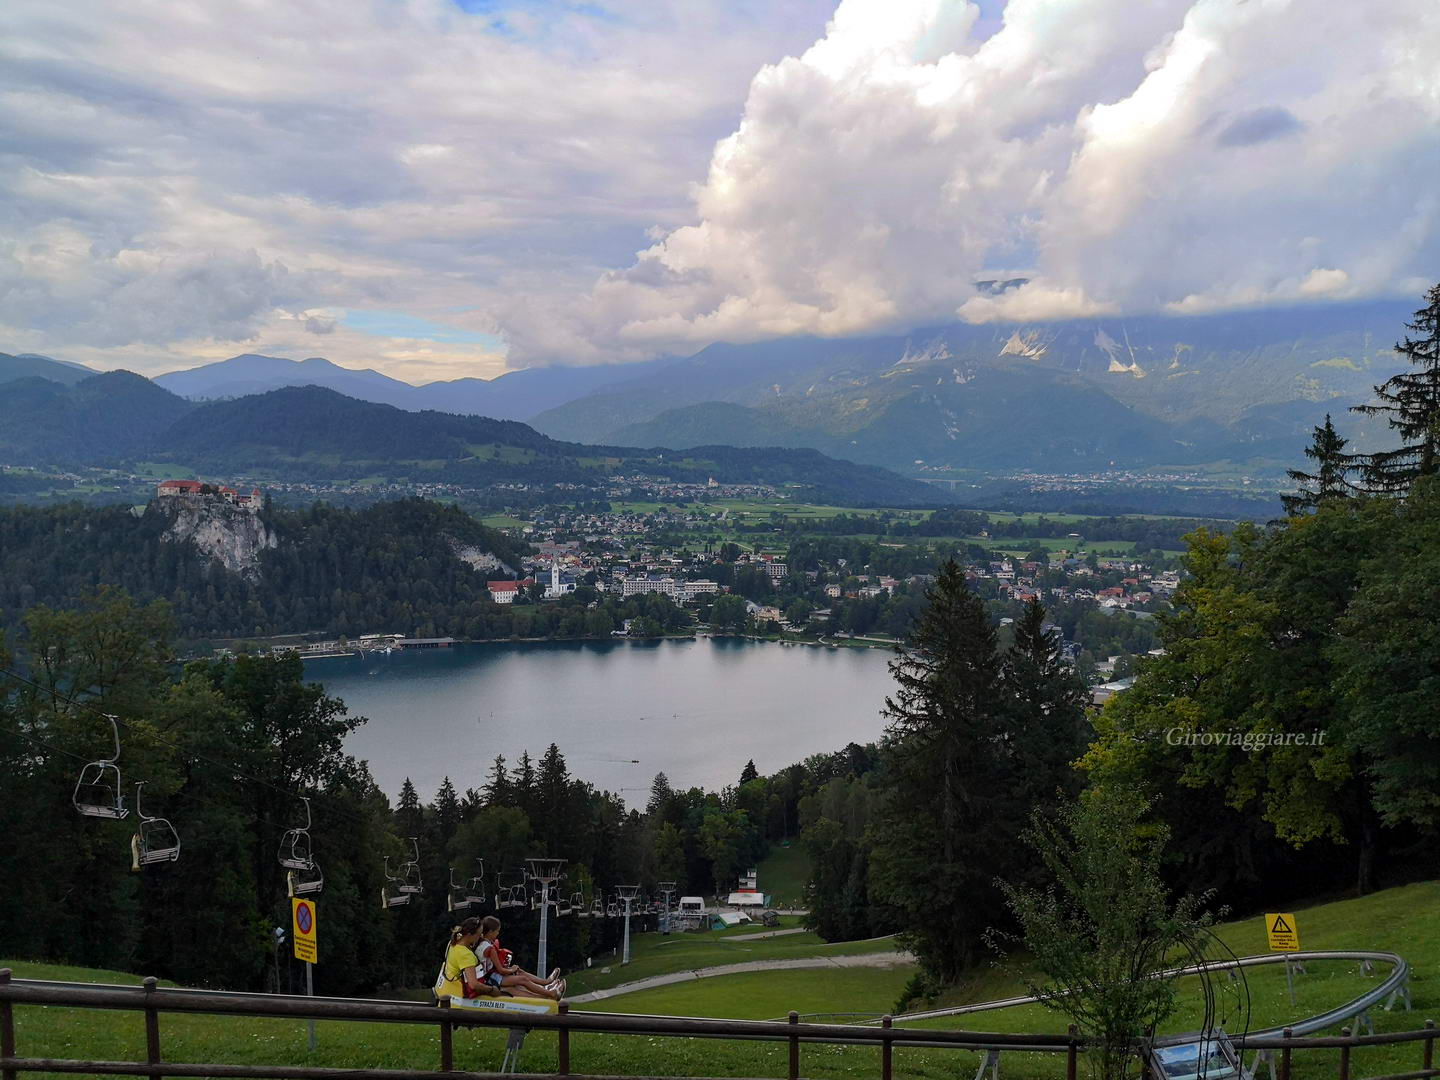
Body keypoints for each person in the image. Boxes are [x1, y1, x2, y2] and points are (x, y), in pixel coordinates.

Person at [476, 915, 564, 999]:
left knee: (519, 973)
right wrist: (512, 969)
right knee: (522, 979)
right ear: (490, 932)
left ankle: (545, 985)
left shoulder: (483, 944)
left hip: (490, 975)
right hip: (490, 978)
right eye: (497, 931)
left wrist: (513, 970)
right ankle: (549, 993)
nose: (498, 933)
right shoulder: (489, 949)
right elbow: (501, 970)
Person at [435, 916, 497, 1001]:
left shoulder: (454, 942)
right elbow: (473, 985)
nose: (481, 937)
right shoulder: (466, 955)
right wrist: (492, 990)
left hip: (446, 987)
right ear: (469, 935)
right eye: (479, 935)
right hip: (459, 996)